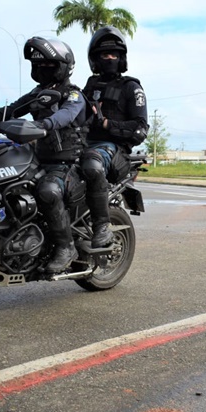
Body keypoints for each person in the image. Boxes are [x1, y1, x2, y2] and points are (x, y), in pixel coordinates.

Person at [0, 37, 88, 273]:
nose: (42, 70)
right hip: (38, 158)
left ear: (62, 67)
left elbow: (67, 116)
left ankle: (66, 247)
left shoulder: (73, 95)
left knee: (47, 191)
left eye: (48, 66)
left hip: (67, 163)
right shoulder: (36, 94)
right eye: (38, 65)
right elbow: (8, 112)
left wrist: (45, 124)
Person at [80, 26, 149, 248]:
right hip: (82, 143)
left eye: (114, 55)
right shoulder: (89, 86)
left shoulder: (131, 87)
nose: (110, 58)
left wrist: (108, 123)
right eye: (104, 55)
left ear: (121, 58)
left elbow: (140, 129)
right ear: (96, 59)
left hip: (112, 149)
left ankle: (101, 226)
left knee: (92, 164)